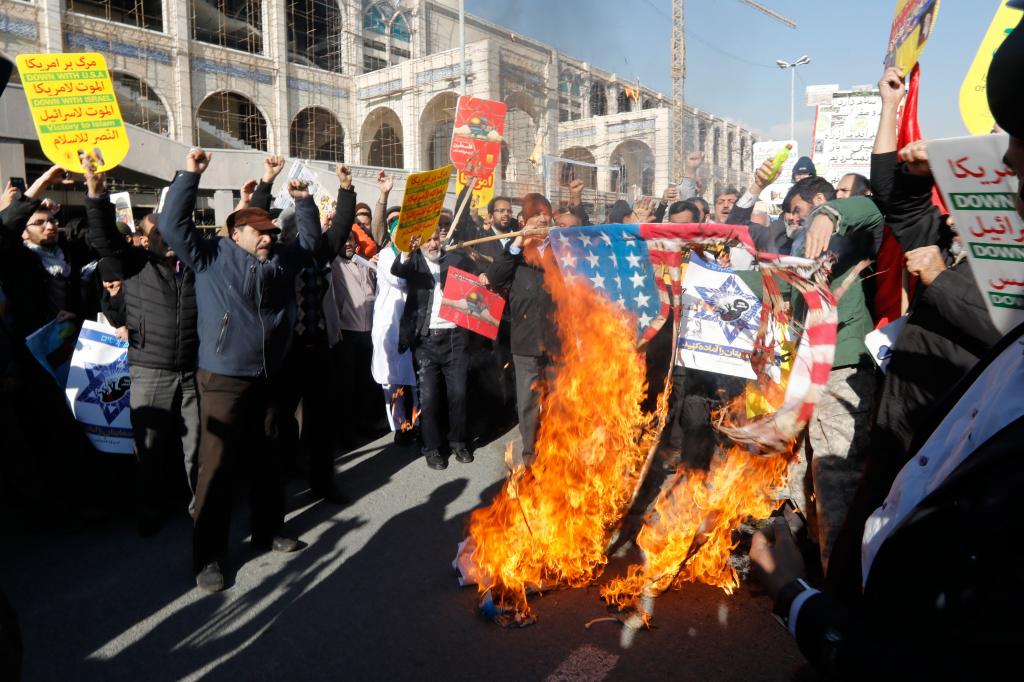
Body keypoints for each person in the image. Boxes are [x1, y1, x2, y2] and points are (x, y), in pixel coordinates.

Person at [160, 148, 321, 593]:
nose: (269, 238)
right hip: (223, 378)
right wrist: (190, 175)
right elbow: (174, 225)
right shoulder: (210, 256)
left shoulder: (280, 262)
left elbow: (309, 245)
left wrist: (304, 202)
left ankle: (270, 529)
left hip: (270, 376)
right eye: (260, 232)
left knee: (269, 456)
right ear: (235, 233)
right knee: (217, 467)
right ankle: (208, 556)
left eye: (272, 230)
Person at [83, 162, 201, 536]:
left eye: (172, 230)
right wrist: (96, 197)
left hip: (191, 370)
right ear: (146, 239)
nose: (166, 238)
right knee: (149, 448)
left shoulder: (196, 265)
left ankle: (202, 507)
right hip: (149, 369)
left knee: (196, 447)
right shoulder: (134, 265)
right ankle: (150, 509)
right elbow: (103, 238)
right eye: (157, 232)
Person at [272, 163, 355, 504]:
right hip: (285, 351)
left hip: (317, 345)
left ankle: (324, 481)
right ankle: (281, 481)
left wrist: (346, 189)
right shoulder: (277, 257)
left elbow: (340, 227)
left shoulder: (321, 253)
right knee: (280, 422)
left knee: (322, 419)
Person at [392, 225, 476, 470]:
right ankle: (431, 448)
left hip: (456, 339)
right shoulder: (414, 262)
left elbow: (478, 286)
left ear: (442, 237)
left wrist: (480, 276)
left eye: (436, 238)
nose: (432, 244)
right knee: (428, 399)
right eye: (427, 240)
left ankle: (458, 442)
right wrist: (408, 251)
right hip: (426, 341)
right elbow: (398, 268)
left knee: (458, 395)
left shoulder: (457, 260)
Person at [485, 194, 558, 466]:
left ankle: (554, 449)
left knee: (557, 400)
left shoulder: (561, 249)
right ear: (523, 221)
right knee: (528, 403)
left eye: (545, 213)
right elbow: (494, 277)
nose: (541, 218)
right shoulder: (514, 253)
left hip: (556, 341)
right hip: (525, 342)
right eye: (535, 214)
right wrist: (518, 242)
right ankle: (531, 454)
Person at [371, 218, 417, 444]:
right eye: (398, 231)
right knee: (392, 380)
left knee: (413, 377)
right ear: (390, 235)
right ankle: (400, 425)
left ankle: (416, 422)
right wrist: (408, 255)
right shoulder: (387, 255)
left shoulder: (415, 252)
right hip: (389, 325)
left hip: (410, 323)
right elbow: (399, 279)